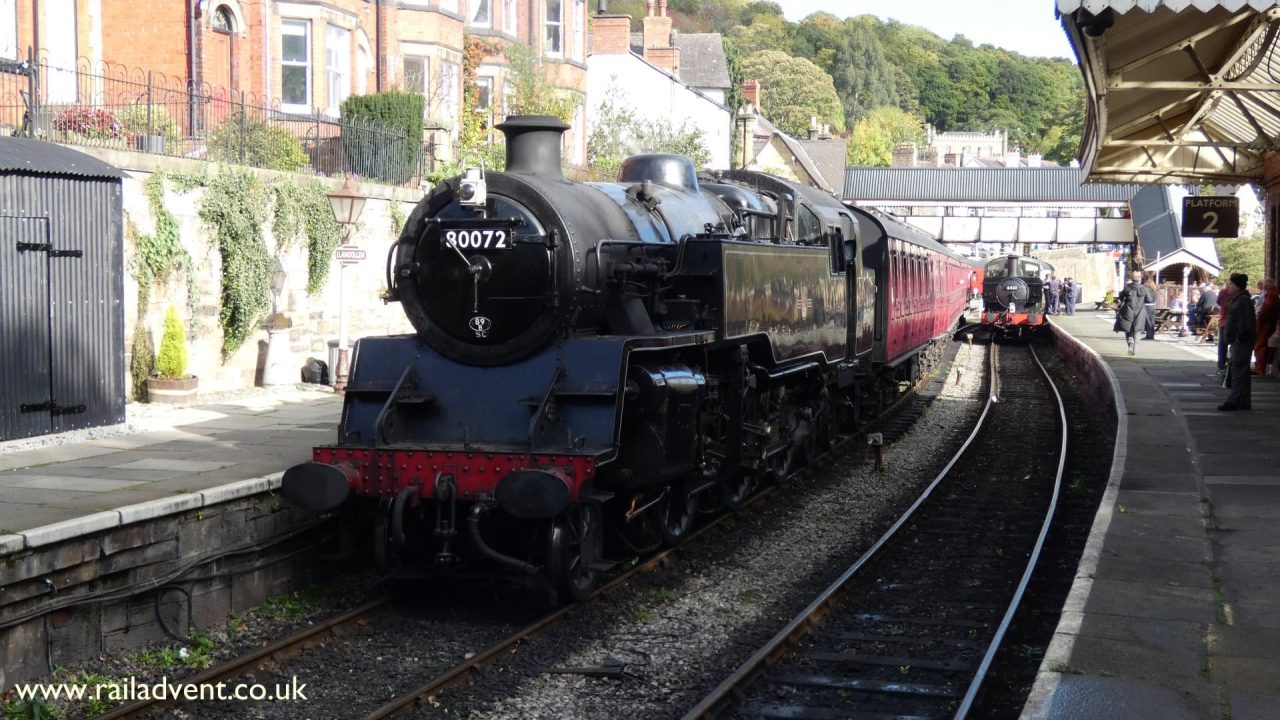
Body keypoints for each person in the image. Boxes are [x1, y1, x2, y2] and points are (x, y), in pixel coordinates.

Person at [1220, 273, 1256, 411]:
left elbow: (1245, 322)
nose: (1228, 287)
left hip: (1242, 341)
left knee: (1238, 371)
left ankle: (1234, 399)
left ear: (1237, 286)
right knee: (1242, 371)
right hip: (1239, 340)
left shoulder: (1242, 300)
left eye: (1231, 284)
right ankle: (1243, 400)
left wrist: (1237, 337)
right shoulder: (1238, 299)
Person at [1114, 271, 1152, 356]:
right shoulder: (1144, 288)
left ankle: (1130, 342)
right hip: (1140, 312)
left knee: (1128, 329)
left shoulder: (1127, 287)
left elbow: (1120, 297)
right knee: (1137, 331)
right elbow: (1149, 300)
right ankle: (1135, 350)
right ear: (1140, 279)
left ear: (1132, 278)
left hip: (1128, 310)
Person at [1255, 278, 1279, 375]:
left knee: (1259, 345)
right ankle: (1260, 367)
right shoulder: (1272, 294)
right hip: (1268, 322)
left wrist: (1260, 316)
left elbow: (1267, 308)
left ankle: (1260, 368)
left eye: (1263, 283)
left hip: (1265, 323)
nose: (1262, 285)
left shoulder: (1270, 294)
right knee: (1261, 344)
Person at [1216, 278, 1240, 373]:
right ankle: (1233, 365)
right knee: (1236, 344)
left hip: (1224, 322)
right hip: (1236, 323)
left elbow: (1218, 302)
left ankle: (1221, 366)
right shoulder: (1241, 294)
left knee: (1222, 345)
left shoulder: (1223, 292)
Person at [1142, 276, 1158, 340]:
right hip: (1152, 306)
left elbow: (1147, 299)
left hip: (1147, 306)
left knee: (1148, 322)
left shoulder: (1147, 291)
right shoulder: (1154, 291)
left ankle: (1148, 336)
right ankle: (1151, 335)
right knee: (1152, 322)